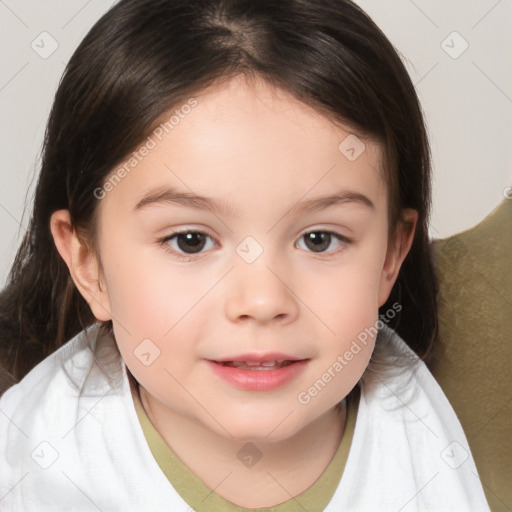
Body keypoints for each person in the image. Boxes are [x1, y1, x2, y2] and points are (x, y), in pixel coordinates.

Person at [0, 0, 490, 510]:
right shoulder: (26, 470)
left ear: (391, 257)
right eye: (190, 240)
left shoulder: (443, 448)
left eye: (319, 239)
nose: (262, 300)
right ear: (89, 264)